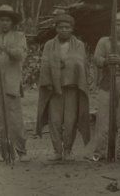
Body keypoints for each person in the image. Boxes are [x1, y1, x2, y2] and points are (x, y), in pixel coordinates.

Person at [36, 13, 91, 161]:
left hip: (72, 87)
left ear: (72, 29)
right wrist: (51, 75)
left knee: (70, 120)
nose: (64, 30)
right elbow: (45, 64)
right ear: (56, 28)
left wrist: (65, 63)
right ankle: (57, 151)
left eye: (67, 27)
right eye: (61, 27)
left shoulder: (78, 45)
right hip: (54, 88)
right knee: (54, 120)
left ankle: (68, 150)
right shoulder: (49, 45)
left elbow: (80, 63)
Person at [89, 12, 120, 161]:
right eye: (117, 24)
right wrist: (106, 60)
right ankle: (100, 152)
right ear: (112, 26)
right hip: (106, 82)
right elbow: (96, 58)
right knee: (103, 118)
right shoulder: (104, 42)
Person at [0, 5, 29, 162]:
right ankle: (5, 153)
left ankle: (21, 151)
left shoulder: (19, 36)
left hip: (11, 84)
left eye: (7, 20)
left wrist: (4, 48)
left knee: (15, 120)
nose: (4, 23)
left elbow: (20, 55)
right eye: (1, 20)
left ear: (12, 22)